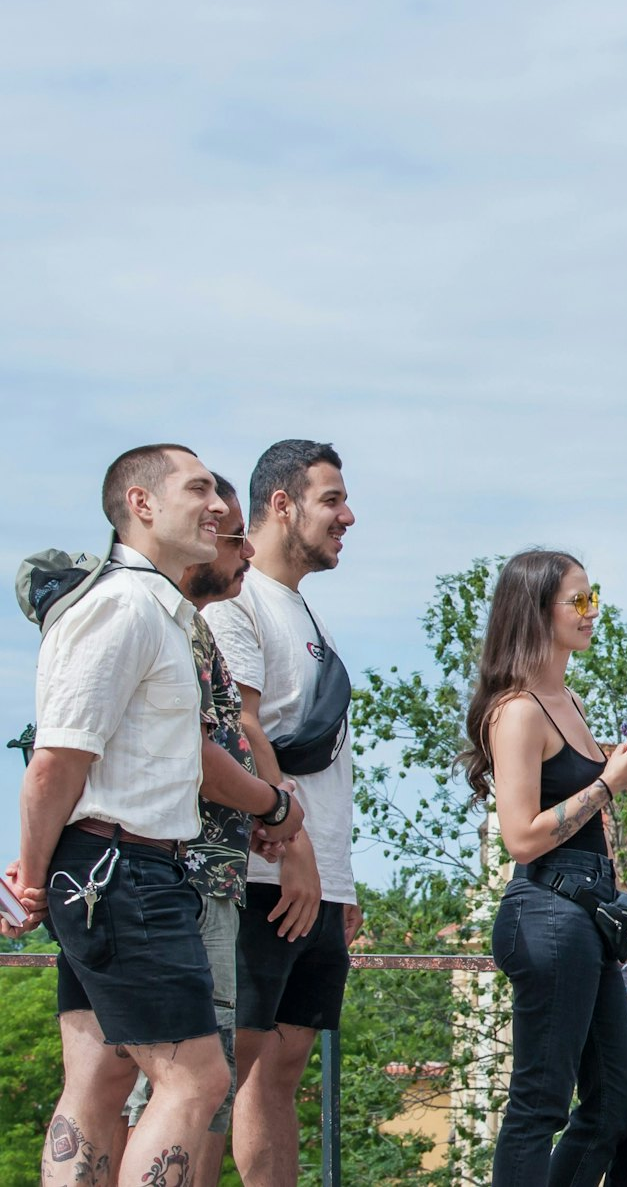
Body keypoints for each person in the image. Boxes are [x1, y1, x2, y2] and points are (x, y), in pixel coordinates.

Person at [3, 444, 233, 1186]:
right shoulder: (124, 606)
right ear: (141, 504)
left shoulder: (154, 610)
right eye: (198, 489)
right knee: (196, 1081)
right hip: (120, 872)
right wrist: (28, 879)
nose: (220, 505)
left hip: (114, 869)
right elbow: (56, 761)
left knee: (100, 1080)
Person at [119, 473, 305, 1186]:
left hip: (199, 874)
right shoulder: (151, 617)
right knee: (180, 1085)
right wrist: (273, 806)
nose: (245, 553)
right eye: (228, 538)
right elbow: (188, 750)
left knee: (191, 1086)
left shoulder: (187, 626)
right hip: (170, 874)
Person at [459, 550, 627, 1186]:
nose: (593, 613)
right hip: (547, 915)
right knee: (539, 1104)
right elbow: (521, 838)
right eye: (580, 601)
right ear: (538, 612)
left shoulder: (565, 697)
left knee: (617, 1098)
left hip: (587, 916)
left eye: (594, 599)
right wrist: (610, 783)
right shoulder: (518, 711)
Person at [203, 439, 360, 1187]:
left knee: (284, 1068)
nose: (347, 517)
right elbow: (243, 728)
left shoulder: (307, 614)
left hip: (317, 880)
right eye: (332, 500)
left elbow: (330, 759)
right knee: (221, 1067)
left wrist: (341, 880)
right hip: (265, 873)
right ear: (281, 504)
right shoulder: (240, 602)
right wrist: (294, 851)